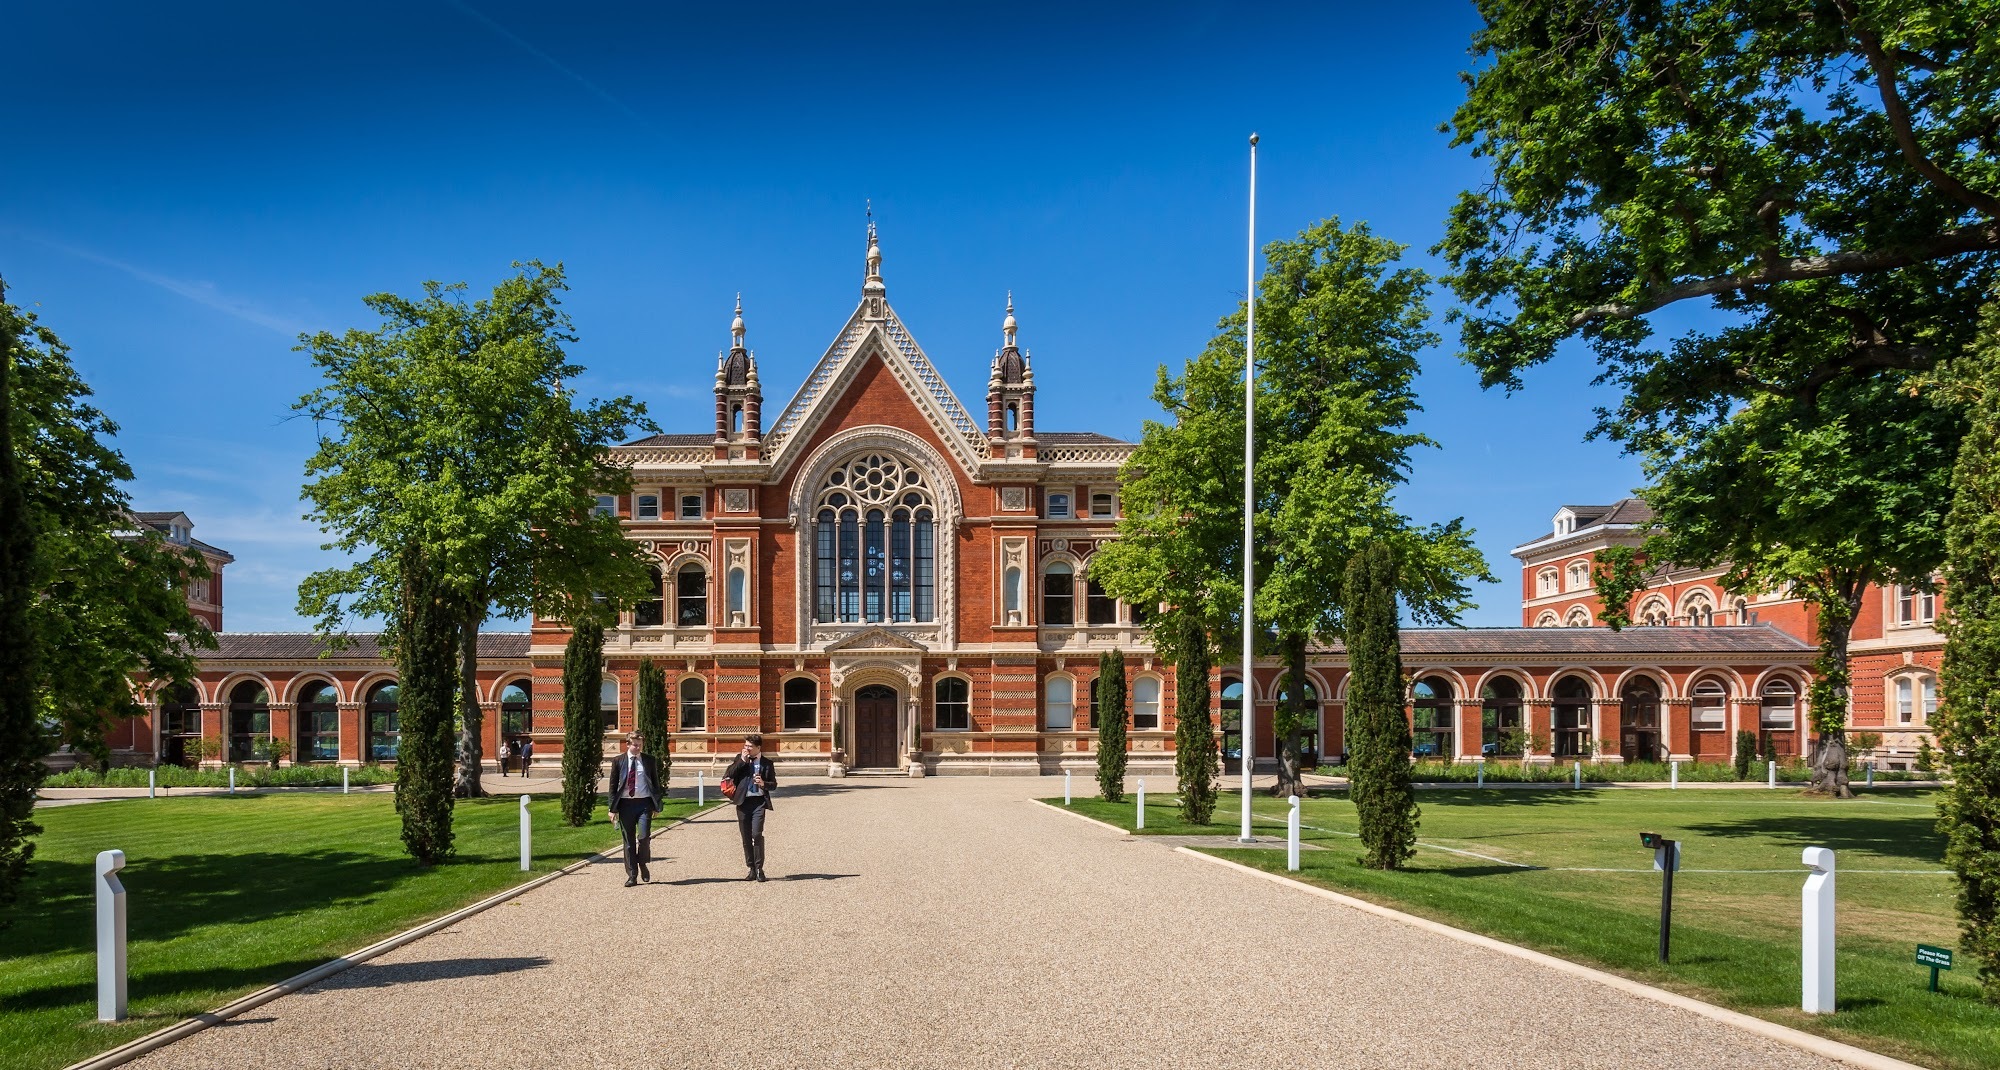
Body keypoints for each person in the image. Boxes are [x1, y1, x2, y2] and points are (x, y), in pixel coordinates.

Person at [607, 733, 665, 887]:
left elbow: (655, 784)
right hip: (625, 805)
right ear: (627, 744)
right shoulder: (618, 761)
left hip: (644, 804)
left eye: (640, 744)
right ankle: (632, 875)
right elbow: (613, 787)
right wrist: (612, 809)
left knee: (644, 837)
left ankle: (643, 863)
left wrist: (656, 805)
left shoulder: (649, 760)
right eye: (635, 744)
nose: (638, 747)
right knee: (628, 842)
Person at [723, 734, 775, 882]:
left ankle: (759, 868)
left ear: (758, 748)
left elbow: (774, 784)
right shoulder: (740, 758)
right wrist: (742, 760)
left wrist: (764, 783)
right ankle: (751, 868)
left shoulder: (767, 763)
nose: (747, 748)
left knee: (756, 834)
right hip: (743, 802)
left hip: (759, 802)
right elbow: (729, 774)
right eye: (745, 746)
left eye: (750, 746)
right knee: (746, 837)